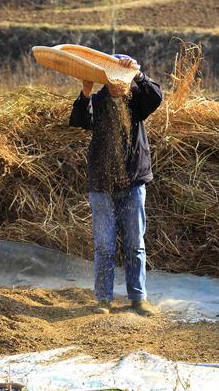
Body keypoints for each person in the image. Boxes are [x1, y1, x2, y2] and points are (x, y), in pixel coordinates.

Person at [69, 54, 163, 316]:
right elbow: (79, 120)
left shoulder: (136, 101)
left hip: (133, 181)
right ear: (105, 79)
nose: (117, 84)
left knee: (135, 244)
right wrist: (85, 92)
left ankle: (138, 298)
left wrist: (138, 74)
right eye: (111, 78)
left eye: (121, 78)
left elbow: (157, 97)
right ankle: (103, 300)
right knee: (104, 245)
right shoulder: (98, 101)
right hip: (102, 184)